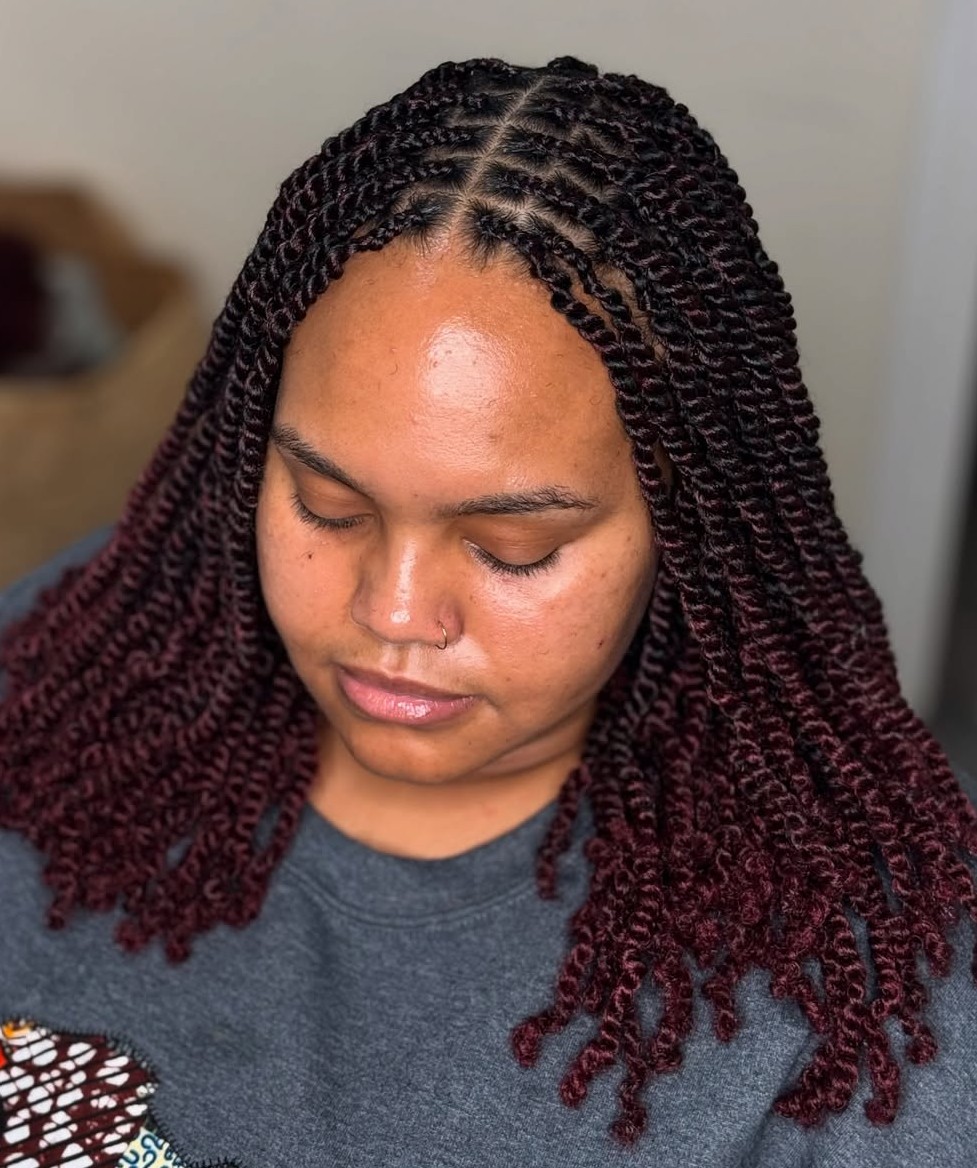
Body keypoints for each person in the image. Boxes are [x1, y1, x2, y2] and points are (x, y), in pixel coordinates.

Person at [0, 54, 974, 1168]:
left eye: (515, 549)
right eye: (327, 506)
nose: (394, 612)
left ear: (686, 525)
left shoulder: (865, 998)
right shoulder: (69, 661)